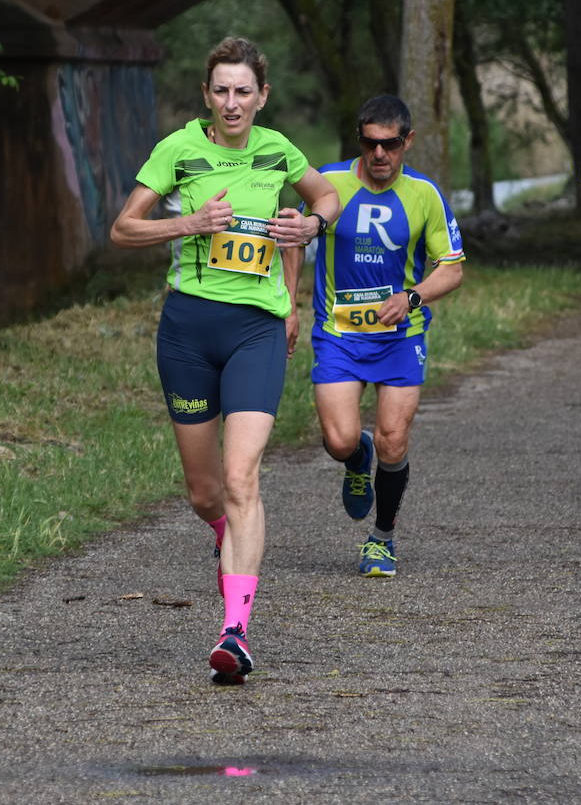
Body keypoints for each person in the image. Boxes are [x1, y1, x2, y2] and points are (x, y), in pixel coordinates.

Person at [109, 36, 340, 685]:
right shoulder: (178, 152)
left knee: (242, 478)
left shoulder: (278, 149)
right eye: (221, 90)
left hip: (255, 331)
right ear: (206, 95)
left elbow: (327, 198)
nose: (232, 103)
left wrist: (311, 228)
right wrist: (190, 224)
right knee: (205, 491)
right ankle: (224, 534)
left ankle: (234, 632)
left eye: (244, 91)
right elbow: (123, 230)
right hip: (186, 331)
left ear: (261, 96)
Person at [283, 95, 464, 577]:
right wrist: (289, 305)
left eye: (390, 144)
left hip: (401, 337)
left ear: (408, 141)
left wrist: (412, 297)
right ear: (359, 140)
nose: (379, 154)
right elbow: (296, 238)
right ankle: (354, 456)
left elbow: (452, 267)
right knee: (341, 440)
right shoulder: (330, 183)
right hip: (338, 335)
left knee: (393, 440)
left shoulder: (425, 193)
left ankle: (382, 538)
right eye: (370, 143)